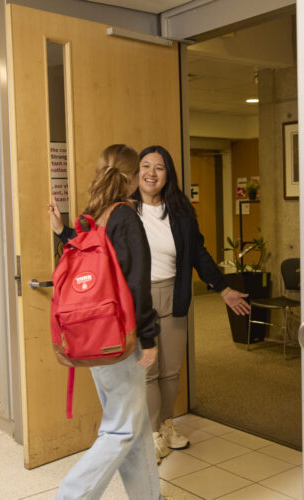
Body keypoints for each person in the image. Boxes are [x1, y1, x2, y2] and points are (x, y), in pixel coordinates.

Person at [49, 144, 162, 500]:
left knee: (135, 425)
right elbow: (136, 282)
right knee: (120, 429)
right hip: (119, 338)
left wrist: (62, 232)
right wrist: (150, 336)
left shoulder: (93, 215)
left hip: (92, 337)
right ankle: (72, 496)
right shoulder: (125, 217)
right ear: (130, 179)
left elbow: (87, 267)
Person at [131, 145, 250, 462]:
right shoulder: (125, 211)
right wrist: (63, 232)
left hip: (175, 295)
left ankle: (166, 424)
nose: (151, 172)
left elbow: (198, 253)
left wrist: (223, 289)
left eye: (159, 167)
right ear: (137, 172)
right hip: (139, 299)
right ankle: (152, 434)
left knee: (170, 370)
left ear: (168, 174)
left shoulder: (181, 212)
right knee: (147, 371)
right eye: (146, 165)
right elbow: (97, 245)